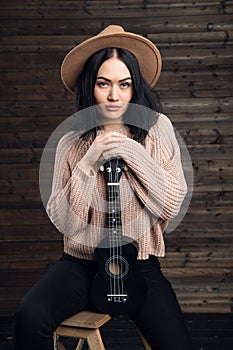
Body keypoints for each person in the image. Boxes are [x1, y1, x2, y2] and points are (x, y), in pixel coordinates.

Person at [14, 25, 194, 350]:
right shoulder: (70, 141)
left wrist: (130, 151)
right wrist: (88, 162)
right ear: (90, 86)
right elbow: (62, 218)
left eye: (124, 85)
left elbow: (170, 205)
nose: (114, 96)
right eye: (103, 83)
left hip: (140, 264)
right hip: (80, 265)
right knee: (29, 317)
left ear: (134, 87)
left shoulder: (157, 129)